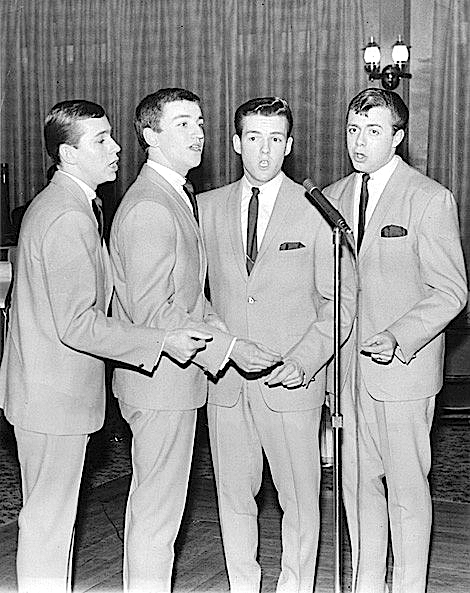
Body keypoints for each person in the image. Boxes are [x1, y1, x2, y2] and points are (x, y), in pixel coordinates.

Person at [0, 99, 213, 593]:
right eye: (101, 140)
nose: (116, 148)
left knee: (51, 522)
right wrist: (161, 339)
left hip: (48, 392)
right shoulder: (66, 216)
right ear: (67, 154)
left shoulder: (69, 206)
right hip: (53, 396)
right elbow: (77, 324)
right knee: (49, 524)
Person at [109, 88, 280, 593]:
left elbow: (189, 297)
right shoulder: (149, 206)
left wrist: (228, 335)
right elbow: (155, 313)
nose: (198, 133)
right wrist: (229, 350)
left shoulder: (174, 195)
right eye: (182, 124)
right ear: (149, 135)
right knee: (157, 516)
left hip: (172, 382)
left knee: (161, 512)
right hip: (159, 384)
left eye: (200, 122)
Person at [198, 96, 356, 593]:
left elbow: (340, 301)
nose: (264, 151)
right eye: (253, 138)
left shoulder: (317, 211)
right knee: (232, 498)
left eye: (274, 139)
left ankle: (295, 586)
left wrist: (305, 361)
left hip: (291, 383)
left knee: (300, 501)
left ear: (289, 146)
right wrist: (219, 345)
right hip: (226, 383)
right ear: (235, 143)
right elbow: (193, 294)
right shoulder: (204, 208)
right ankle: (242, 584)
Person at [323, 88, 468, 593]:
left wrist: (398, 335)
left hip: (403, 372)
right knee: (357, 486)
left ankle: (408, 585)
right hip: (347, 375)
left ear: (398, 137)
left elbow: (451, 290)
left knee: (407, 489)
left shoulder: (428, 198)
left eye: (373, 131)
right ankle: (365, 582)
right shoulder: (330, 199)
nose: (359, 142)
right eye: (353, 130)